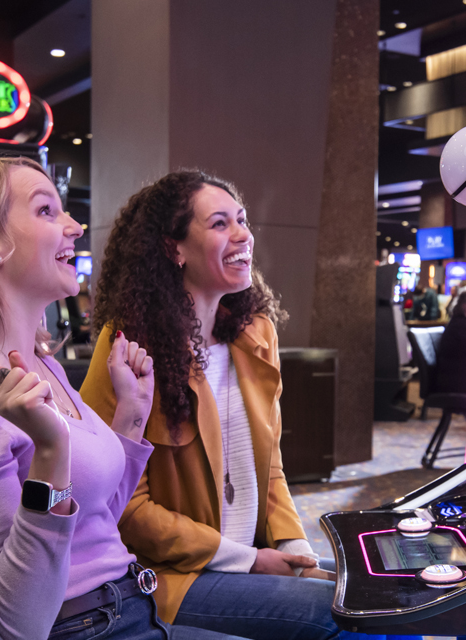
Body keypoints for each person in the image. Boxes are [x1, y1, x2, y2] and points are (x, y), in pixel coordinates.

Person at [0, 157, 245, 640]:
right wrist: (51, 456)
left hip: (128, 606)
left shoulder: (40, 363)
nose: (74, 226)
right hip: (80, 628)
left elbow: (93, 525)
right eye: (47, 211)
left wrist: (132, 417)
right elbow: (15, 624)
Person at [82, 171, 342, 640]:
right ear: (174, 248)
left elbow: (271, 469)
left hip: (254, 551)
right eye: (220, 223)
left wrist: (295, 549)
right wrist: (248, 560)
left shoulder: (256, 333)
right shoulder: (127, 345)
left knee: (373, 595)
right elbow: (123, 507)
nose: (243, 234)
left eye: (241, 220)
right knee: (335, 615)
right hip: (170, 577)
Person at [432, 289, 466, 395]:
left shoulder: (460, 323)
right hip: (457, 383)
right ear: (465, 306)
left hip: (454, 379)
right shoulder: (462, 327)